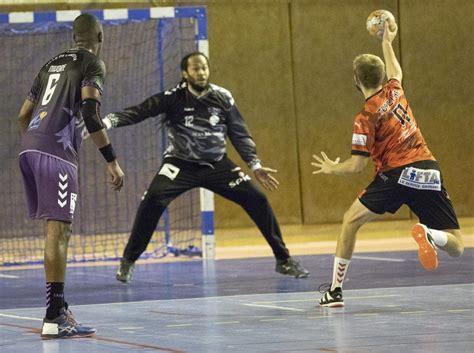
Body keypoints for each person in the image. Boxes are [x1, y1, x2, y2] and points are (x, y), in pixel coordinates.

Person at [102, 51, 309, 283]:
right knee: (151, 201)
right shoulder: (173, 97)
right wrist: (108, 121)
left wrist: (255, 164)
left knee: (257, 200)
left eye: (204, 68)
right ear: (185, 73)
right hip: (179, 165)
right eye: (195, 69)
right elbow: (141, 111)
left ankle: (284, 260)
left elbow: (239, 134)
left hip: (217, 165)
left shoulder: (222, 97)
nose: (201, 73)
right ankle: (128, 261)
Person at [311, 20, 463, 307]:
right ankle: (431, 234)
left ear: (356, 81)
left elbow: (357, 166)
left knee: (350, 222)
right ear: (382, 77)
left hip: (396, 174)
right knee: (456, 245)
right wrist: (387, 40)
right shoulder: (395, 91)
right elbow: (396, 71)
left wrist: (333, 168)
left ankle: (335, 291)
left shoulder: (365, 116)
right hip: (429, 170)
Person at [18, 14, 124, 338]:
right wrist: (112, 161)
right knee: (59, 232)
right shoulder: (92, 63)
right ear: (100, 36)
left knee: (56, 230)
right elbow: (91, 114)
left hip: (30, 150)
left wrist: (37, 140)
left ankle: (59, 309)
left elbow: (23, 115)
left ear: (72, 35)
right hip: (56, 155)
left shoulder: (49, 64)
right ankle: (54, 318)